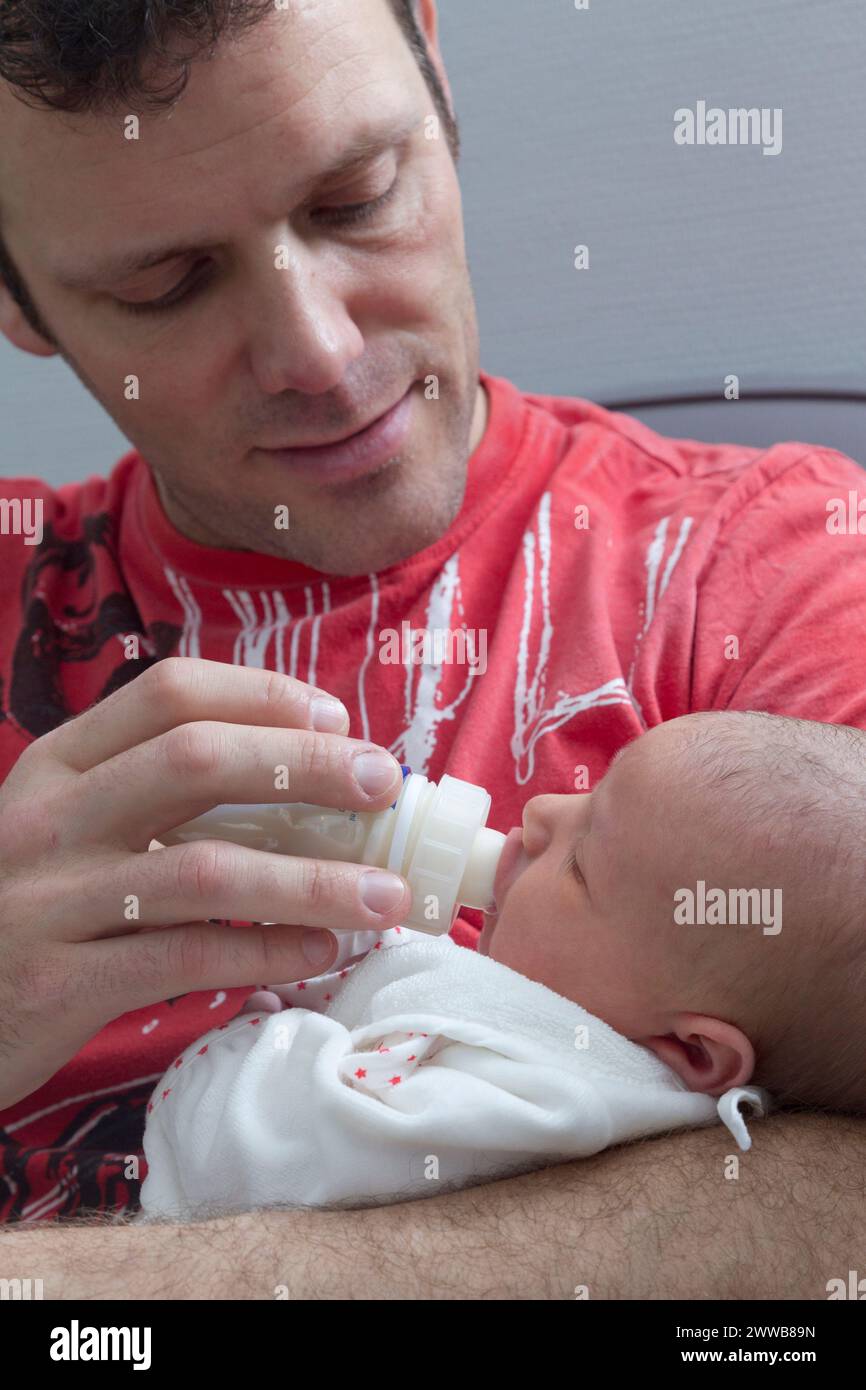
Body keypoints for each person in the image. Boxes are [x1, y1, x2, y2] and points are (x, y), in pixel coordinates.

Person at [0, 0, 863, 1297]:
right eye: (165, 283)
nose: (322, 355)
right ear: (19, 299)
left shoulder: (772, 574)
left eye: (355, 198)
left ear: (437, 71)